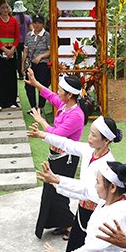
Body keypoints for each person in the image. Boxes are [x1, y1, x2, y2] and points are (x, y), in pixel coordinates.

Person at [28, 116, 122, 252]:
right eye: (90, 132)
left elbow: (89, 191)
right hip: (82, 212)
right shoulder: (89, 150)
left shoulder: (108, 165)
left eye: (94, 135)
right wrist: (43, 135)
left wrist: (58, 181)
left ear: (106, 141)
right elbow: (67, 143)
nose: (89, 137)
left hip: (97, 216)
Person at [26, 70, 85, 239]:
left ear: (69, 95)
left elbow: (57, 134)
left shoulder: (76, 115)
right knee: (52, 190)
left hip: (66, 159)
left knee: (59, 190)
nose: (57, 92)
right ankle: (62, 222)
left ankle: (70, 224)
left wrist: (41, 121)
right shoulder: (65, 105)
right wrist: (35, 83)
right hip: (55, 156)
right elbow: (51, 96)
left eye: (61, 90)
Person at [0, 0, 21, 110]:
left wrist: (12, 49)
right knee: (0, 76)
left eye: (6, 7)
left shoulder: (14, 21)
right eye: (2, 7)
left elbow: (17, 37)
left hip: (12, 50)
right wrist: (4, 49)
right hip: (0, 51)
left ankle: (12, 101)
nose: (5, 10)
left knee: (11, 76)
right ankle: (0, 102)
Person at [23, 16, 51, 111]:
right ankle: (33, 106)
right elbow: (25, 51)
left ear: (43, 24)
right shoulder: (28, 35)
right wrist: (22, 65)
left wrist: (41, 56)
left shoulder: (47, 35)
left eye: (39, 22)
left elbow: (50, 51)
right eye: (35, 22)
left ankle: (41, 106)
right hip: (31, 64)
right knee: (29, 86)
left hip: (43, 63)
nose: (37, 25)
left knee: (42, 85)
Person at [12, 0, 32, 79]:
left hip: (17, 42)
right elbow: (31, 29)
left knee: (19, 58)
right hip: (26, 41)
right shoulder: (27, 18)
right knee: (27, 57)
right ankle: (27, 72)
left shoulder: (13, 19)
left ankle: (20, 73)